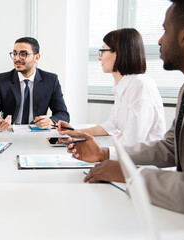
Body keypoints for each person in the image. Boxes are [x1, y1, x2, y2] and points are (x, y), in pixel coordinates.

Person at [69, 0, 184, 219]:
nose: (160, 40)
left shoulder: (141, 84)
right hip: (178, 206)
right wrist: (106, 154)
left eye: (165, 30)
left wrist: (131, 174)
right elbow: (171, 147)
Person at [58, 28, 166, 160]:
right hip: (128, 158)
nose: (99, 57)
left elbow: (133, 140)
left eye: (103, 50)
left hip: (143, 164)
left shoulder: (140, 85)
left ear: (119, 53)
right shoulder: (122, 85)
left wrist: (101, 152)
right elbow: (112, 125)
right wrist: (74, 132)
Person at [0, 37, 70, 130]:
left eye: (23, 54)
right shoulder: (1, 80)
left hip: (38, 133)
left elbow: (63, 114)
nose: (17, 58)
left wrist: (51, 121)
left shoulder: (51, 80)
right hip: (10, 132)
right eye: (14, 54)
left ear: (36, 57)